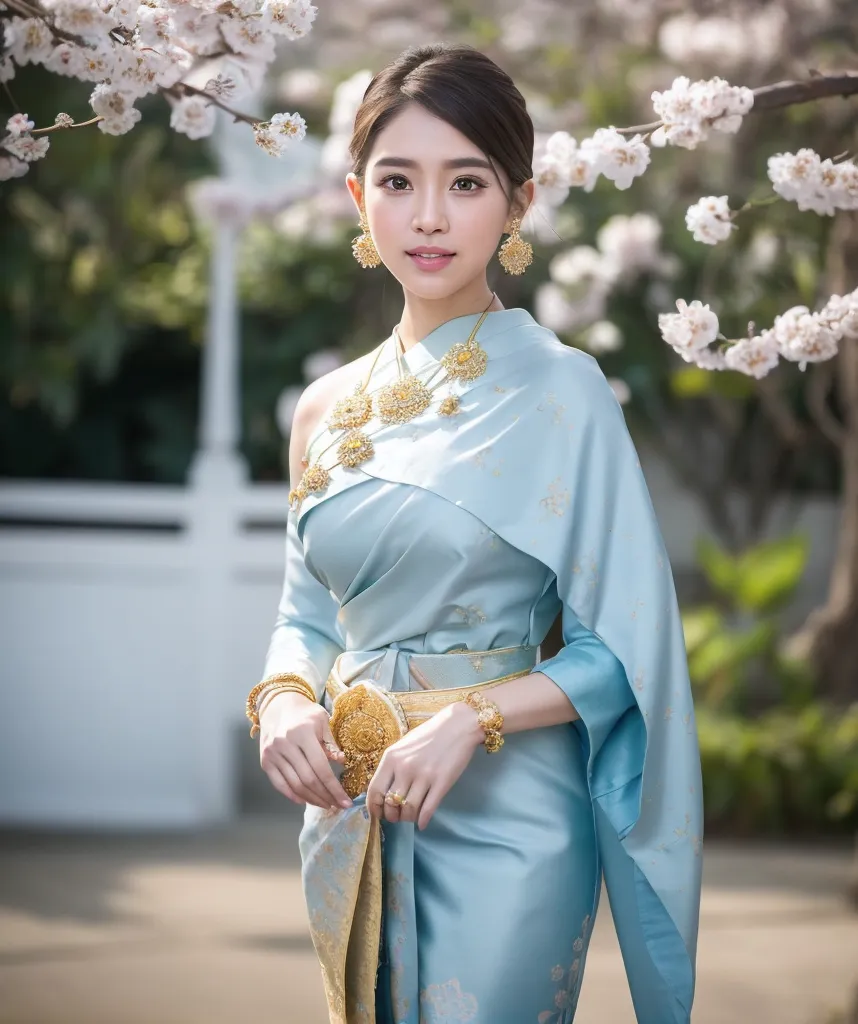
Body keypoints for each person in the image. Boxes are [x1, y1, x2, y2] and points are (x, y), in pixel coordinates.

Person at [247, 42, 703, 1024]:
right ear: (356, 195)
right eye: (399, 181)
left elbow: (622, 653)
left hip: (508, 814)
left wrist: (473, 717)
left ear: (520, 202)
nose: (429, 217)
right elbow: (305, 614)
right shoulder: (323, 410)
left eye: (467, 183)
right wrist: (281, 703)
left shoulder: (565, 391)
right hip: (352, 813)